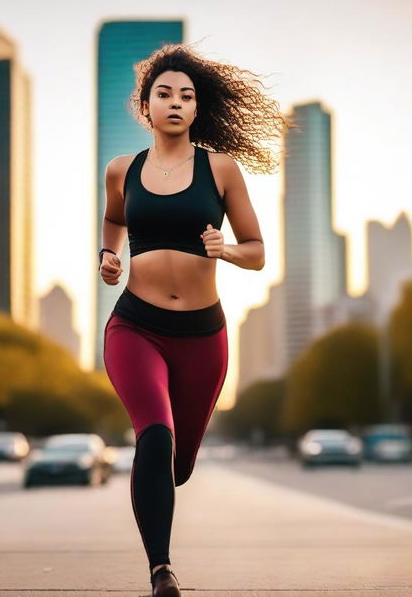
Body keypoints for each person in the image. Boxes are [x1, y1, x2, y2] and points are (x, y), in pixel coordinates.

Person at [99, 43, 291, 597]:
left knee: (176, 466)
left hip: (202, 337)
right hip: (134, 326)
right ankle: (161, 571)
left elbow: (257, 251)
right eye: (165, 94)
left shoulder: (220, 169)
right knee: (154, 438)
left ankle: (168, 480)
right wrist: (109, 257)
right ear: (146, 105)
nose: (176, 103)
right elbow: (113, 222)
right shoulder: (122, 170)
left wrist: (224, 249)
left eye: (187, 96)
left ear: (197, 109)